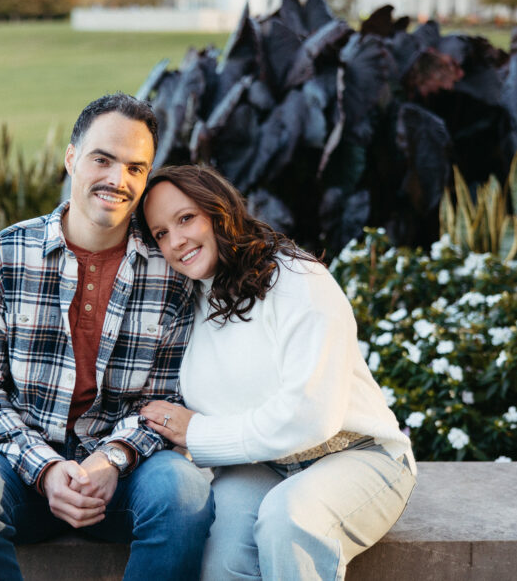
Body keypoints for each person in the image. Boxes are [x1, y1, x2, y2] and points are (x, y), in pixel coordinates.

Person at [0, 94, 214, 581]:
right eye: (102, 159)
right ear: (71, 159)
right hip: (14, 466)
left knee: (184, 494)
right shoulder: (7, 255)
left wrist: (111, 459)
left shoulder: (170, 273)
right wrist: (44, 467)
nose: (117, 180)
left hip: (125, 478)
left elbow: (168, 398)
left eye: (134, 167)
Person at [138, 165, 416, 580]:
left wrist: (197, 434)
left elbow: (311, 415)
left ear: (219, 212)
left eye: (186, 218)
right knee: (221, 557)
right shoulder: (184, 301)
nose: (176, 241)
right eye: (160, 233)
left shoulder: (297, 279)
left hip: (358, 454)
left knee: (289, 519)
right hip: (262, 466)